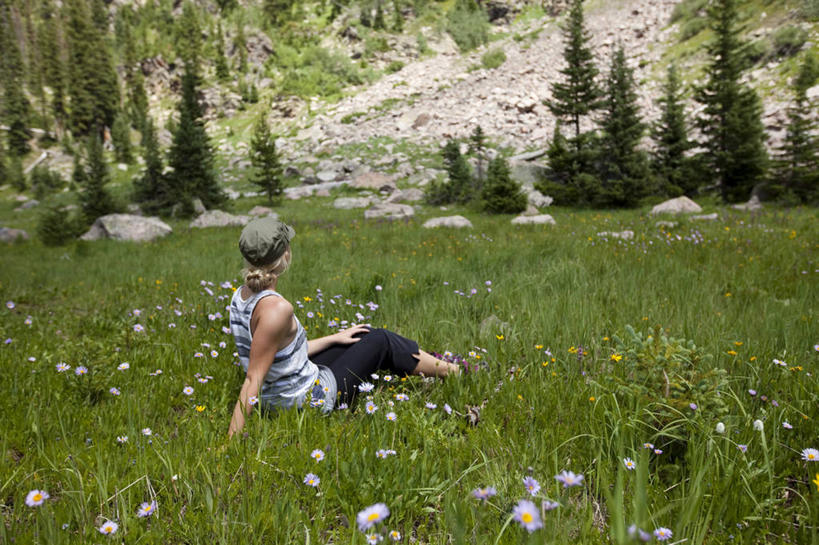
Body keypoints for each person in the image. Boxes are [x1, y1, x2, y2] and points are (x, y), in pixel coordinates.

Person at [228, 217, 459, 437]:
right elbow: (252, 379)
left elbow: (283, 355)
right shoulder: (277, 309)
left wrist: (336, 338)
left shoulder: (240, 297)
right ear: (285, 254)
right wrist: (229, 444)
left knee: (360, 335)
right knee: (380, 340)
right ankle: (452, 371)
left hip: (279, 392)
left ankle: (433, 362)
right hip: (306, 402)